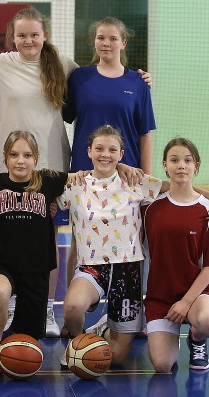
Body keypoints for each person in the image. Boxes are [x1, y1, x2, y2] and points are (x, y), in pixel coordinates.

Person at [0, 9, 153, 337]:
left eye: (34, 34)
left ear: (45, 36)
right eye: (21, 35)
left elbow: (104, 83)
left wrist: (138, 80)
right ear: (12, 37)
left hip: (51, 165)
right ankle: (11, 304)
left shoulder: (65, 67)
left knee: (49, 238)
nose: (28, 40)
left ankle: (47, 309)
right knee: (8, 236)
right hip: (8, 165)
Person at [58, 126, 209, 366]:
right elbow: (43, 189)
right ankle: (79, 343)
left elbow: (177, 185)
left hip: (128, 271)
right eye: (99, 149)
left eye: (112, 150)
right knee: (72, 306)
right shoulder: (74, 184)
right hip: (92, 268)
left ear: (121, 154)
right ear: (89, 151)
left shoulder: (135, 182)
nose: (105, 154)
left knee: (117, 357)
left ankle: (105, 329)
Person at [61, 17, 156, 337]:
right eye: (101, 37)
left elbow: (145, 133)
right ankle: (76, 307)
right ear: (95, 41)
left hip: (126, 177)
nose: (106, 43)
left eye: (113, 38)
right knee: (79, 239)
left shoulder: (138, 82)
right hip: (85, 173)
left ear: (123, 43)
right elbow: (62, 114)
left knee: (133, 242)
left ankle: (132, 312)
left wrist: (145, 176)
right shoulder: (80, 78)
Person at [0, 130, 70, 372]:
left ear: (36, 157)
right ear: (5, 157)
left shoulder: (48, 180)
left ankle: (13, 337)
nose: (21, 161)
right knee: (0, 293)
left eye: (27, 155)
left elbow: (86, 177)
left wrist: (121, 167)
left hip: (35, 270)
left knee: (26, 352)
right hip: (1, 264)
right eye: (14, 155)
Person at [143, 138, 209, 372]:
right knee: (162, 365)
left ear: (196, 165)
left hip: (197, 293)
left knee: (208, 322)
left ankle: (197, 338)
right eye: (174, 160)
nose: (181, 165)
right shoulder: (149, 207)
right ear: (165, 165)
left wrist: (185, 302)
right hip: (160, 297)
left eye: (187, 160)